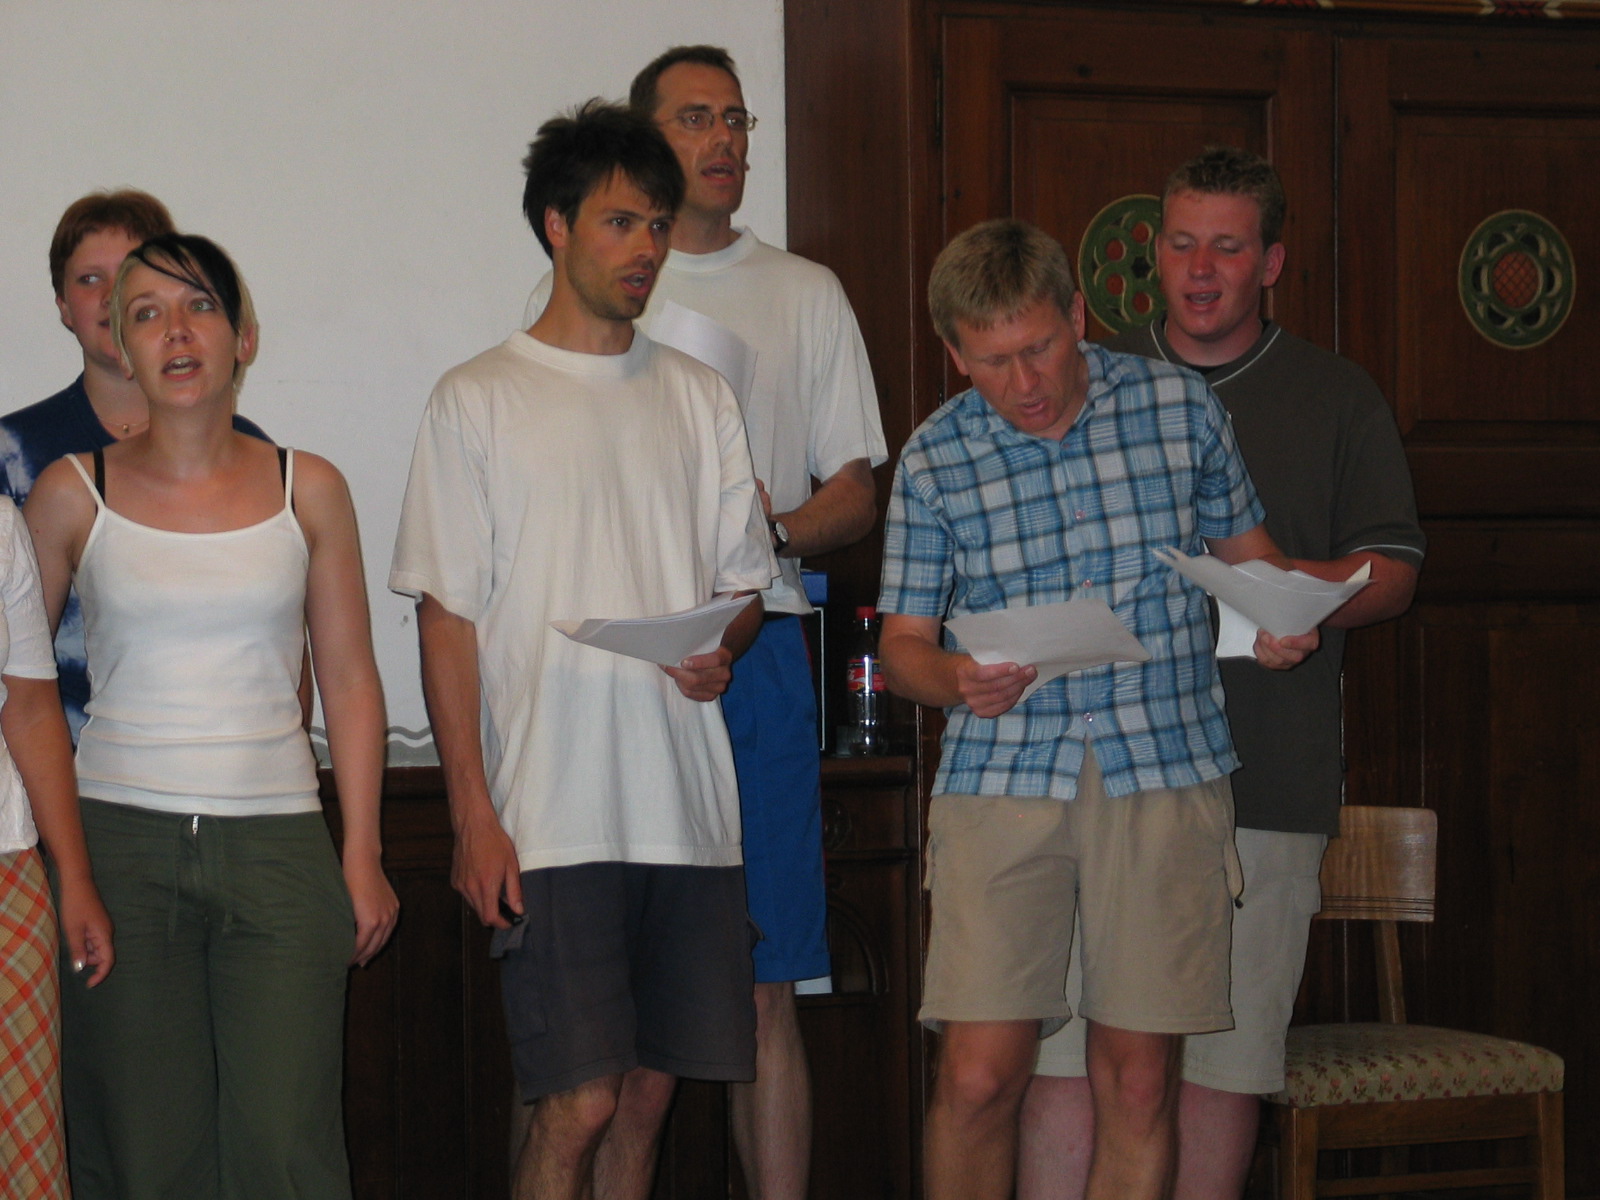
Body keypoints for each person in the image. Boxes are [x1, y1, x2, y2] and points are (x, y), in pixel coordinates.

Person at [877, 218, 1316, 1200]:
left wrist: (1279, 621)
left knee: (1139, 1080)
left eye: (1039, 347)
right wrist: (955, 678)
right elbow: (902, 648)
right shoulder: (936, 457)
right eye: (992, 361)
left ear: (1077, 316)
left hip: (1161, 766)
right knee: (977, 1077)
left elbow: (1250, 564)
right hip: (1003, 774)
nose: (1024, 382)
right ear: (953, 352)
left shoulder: (1178, 407)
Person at [1018, 147, 1425, 1200]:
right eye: (1182, 244)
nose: (1200, 271)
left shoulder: (1335, 395)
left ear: (1272, 262)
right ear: (1153, 251)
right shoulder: (1081, 380)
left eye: (1228, 249)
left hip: (1264, 776)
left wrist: (1292, 594)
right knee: (1065, 1064)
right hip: (1095, 775)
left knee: (1219, 1072)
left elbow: (1393, 570)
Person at [391, 100, 777, 1200]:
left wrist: (721, 646)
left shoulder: (700, 396)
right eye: (620, 222)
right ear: (556, 226)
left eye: (656, 224)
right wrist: (473, 815)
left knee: (647, 1099)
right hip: (551, 815)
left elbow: (743, 590)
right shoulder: (476, 399)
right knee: (579, 1103)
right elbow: (446, 618)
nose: (645, 247)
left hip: (687, 811)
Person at [521, 46, 886, 1199]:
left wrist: (754, 524)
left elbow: (854, 492)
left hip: (756, 644)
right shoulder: (595, 283)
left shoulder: (803, 291)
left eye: (736, 119)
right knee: (604, 1026)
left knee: (765, 982)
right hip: (611, 666)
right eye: (694, 119)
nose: (724, 140)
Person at [24, 232, 397, 1200]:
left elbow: (350, 680)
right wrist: (71, 873)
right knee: (147, 1157)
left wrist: (361, 853)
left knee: (286, 1150)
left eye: (200, 307)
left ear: (245, 336)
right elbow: (21, 692)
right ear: (121, 345)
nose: (177, 332)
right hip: (121, 847)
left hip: (279, 845)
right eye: (147, 314)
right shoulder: (70, 492)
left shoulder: (309, 487)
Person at [0, 191, 270, 741]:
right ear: (62, 307)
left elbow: (282, 654)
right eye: (88, 280)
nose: (108, 296)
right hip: (52, 762)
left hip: (222, 757)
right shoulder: (12, 451)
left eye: (127, 274)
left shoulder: (252, 452)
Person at [0, 494, 112, 1200]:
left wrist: (74, 875)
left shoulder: (0, 526)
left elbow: (32, 707)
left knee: (26, 1160)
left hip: (7, 870)